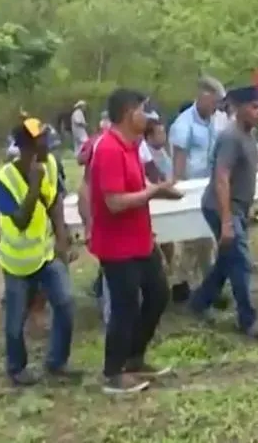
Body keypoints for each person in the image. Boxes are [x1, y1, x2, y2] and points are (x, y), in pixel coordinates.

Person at [90, 88, 180, 394]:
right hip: (116, 245)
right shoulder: (108, 149)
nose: (149, 115)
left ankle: (134, 358)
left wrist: (158, 189)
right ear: (130, 113)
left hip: (140, 239)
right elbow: (114, 202)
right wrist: (152, 192)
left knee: (158, 294)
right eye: (144, 110)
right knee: (126, 305)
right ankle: (113, 372)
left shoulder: (131, 146)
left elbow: (137, 186)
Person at [0, 118, 78, 386]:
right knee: (16, 320)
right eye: (42, 138)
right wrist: (33, 184)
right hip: (17, 262)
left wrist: (62, 243)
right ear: (27, 145)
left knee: (65, 304)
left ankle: (56, 362)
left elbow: (53, 203)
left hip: (45, 254)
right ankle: (16, 368)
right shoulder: (3, 179)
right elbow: (20, 219)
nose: (48, 141)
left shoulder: (49, 165)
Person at [189, 85, 258, 338]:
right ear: (239, 108)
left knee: (226, 261)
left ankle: (199, 302)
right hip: (222, 206)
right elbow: (221, 178)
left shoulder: (248, 135)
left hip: (236, 207)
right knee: (241, 262)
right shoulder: (231, 137)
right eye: (254, 107)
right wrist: (226, 222)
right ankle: (247, 319)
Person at [168, 76, 226, 302]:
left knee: (202, 240)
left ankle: (185, 284)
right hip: (192, 189)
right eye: (215, 102)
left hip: (211, 186)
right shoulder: (183, 125)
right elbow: (179, 166)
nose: (217, 107)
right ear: (203, 96)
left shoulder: (216, 121)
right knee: (198, 241)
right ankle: (203, 289)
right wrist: (182, 195)